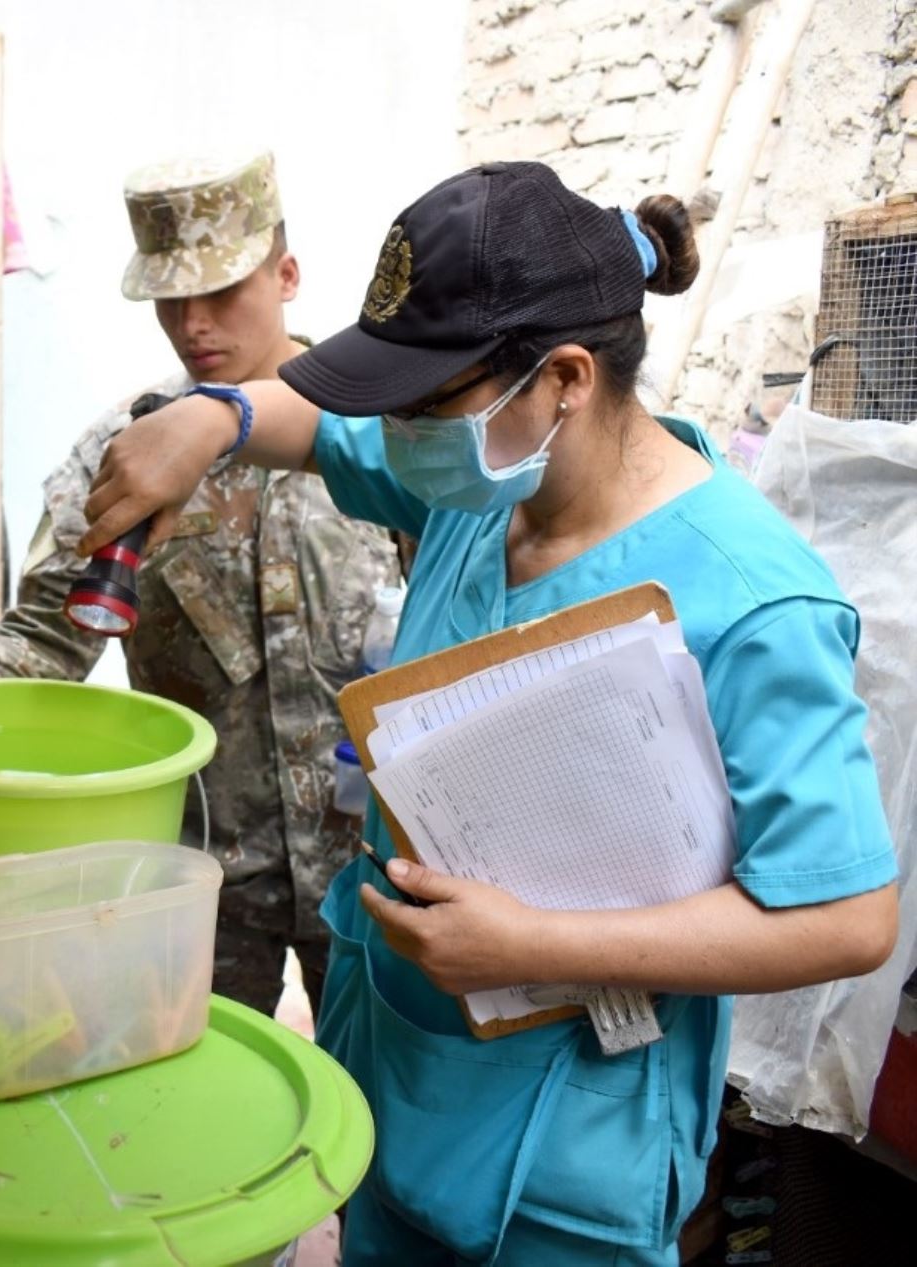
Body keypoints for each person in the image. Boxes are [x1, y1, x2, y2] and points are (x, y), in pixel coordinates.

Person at [78, 161, 898, 1264]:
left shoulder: (751, 600)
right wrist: (211, 416)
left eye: (426, 405)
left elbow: (844, 917)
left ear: (561, 378)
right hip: (399, 1069)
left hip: (565, 1145)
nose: (402, 431)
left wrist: (536, 943)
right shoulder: (483, 490)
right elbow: (316, 429)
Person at [0, 152, 398, 1016]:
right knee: (200, 1119)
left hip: (372, 866)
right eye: (169, 296)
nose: (194, 323)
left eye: (223, 290)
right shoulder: (122, 457)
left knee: (377, 1118)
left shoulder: (384, 434)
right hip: (204, 883)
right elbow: (45, 639)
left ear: (288, 274)